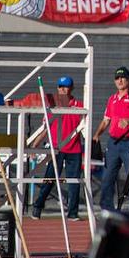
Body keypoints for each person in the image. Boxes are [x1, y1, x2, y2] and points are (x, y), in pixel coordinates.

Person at [30, 76, 84, 220]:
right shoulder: (52, 106)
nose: (63, 89)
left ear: (71, 88)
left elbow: (84, 127)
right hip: (56, 148)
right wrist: (34, 146)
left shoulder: (79, 105)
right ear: (57, 88)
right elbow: (45, 128)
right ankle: (38, 206)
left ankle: (72, 213)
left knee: (74, 182)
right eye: (60, 86)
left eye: (66, 86)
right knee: (49, 179)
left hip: (74, 149)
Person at [94, 66, 129, 211]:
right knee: (107, 178)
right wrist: (97, 134)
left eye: (123, 77)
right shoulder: (112, 99)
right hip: (113, 143)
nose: (120, 80)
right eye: (117, 78)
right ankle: (107, 211)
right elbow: (106, 120)